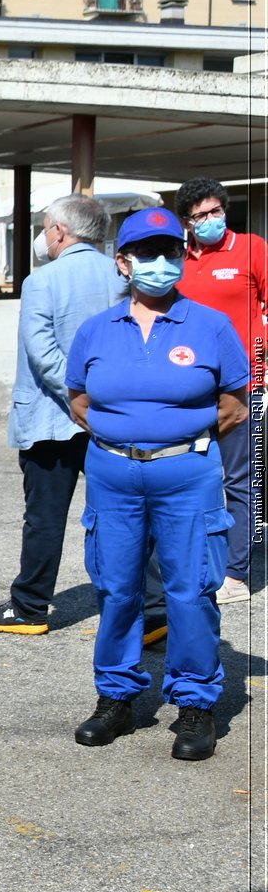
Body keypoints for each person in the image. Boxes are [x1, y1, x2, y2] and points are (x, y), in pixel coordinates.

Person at [66, 208, 248, 762]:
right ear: (123, 262)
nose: (160, 263)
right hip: (112, 475)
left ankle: (195, 704)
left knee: (190, 590)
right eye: (146, 253)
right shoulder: (96, 330)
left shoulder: (211, 325)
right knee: (117, 587)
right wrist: (126, 440)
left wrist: (176, 439)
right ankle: (116, 698)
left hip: (187, 476)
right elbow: (78, 399)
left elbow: (235, 404)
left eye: (170, 251)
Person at [0, 195, 127, 635]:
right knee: (123, 514)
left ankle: (29, 607)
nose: (44, 236)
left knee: (45, 516)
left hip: (53, 418)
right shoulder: (120, 275)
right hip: (113, 417)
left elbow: (44, 356)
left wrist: (82, 398)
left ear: (60, 231)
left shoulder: (43, 281)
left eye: (45, 227)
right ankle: (149, 609)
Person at [176, 178, 267, 606]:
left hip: (245, 387)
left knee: (240, 480)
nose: (210, 221)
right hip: (192, 389)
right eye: (200, 216)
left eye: (215, 212)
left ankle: (237, 573)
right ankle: (200, 558)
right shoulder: (178, 262)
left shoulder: (252, 248)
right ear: (186, 222)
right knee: (192, 476)